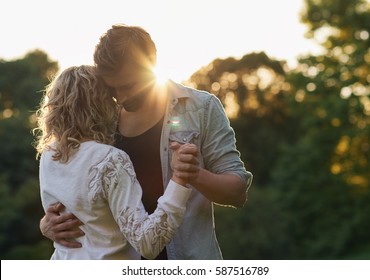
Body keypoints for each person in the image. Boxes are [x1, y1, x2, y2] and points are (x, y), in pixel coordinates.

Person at [40, 24, 253, 260]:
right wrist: (47, 224)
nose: (121, 98)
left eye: (129, 86)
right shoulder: (101, 120)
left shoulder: (200, 108)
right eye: (113, 88)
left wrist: (193, 174)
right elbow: (81, 193)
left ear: (151, 62)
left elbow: (237, 192)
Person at [35, 65, 196, 259]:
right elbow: (147, 243)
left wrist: (44, 225)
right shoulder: (110, 159)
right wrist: (179, 178)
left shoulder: (48, 156)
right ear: (101, 104)